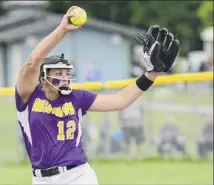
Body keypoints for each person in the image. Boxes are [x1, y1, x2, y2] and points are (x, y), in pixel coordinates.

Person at [15, 6, 180, 185]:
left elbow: (120, 100)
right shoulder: (29, 97)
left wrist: (150, 76)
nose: (64, 78)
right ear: (43, 78)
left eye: (66, 73)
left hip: (77, 176)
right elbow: (32, 63)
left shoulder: (76, 98)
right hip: (41, 179)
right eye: (58, 73)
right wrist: (62, 29)